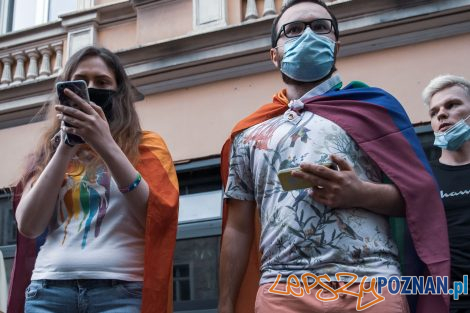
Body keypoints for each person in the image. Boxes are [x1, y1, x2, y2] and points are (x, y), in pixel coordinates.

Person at [218, 1, 450, 313]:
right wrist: (226, 304)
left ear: (336, 46)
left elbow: (422, 200)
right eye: (294, 30)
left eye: (320, 27)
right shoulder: (248, 134)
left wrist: (361, 193)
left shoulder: (375, 109)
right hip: (282, 292)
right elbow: (238, 228)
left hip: (371, 286)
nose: (308, 34)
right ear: (275, 55)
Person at [7, 46, 179, 313]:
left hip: (120, 292)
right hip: (49, 292)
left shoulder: (146, 145)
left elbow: (156, 215)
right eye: (81, 81)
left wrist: (104, 142)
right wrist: (66, 146)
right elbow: (28, 225)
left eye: (102, 82)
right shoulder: (50, 151)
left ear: (119, 93)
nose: (91, 89)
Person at [423, 74, 470, 313]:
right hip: (446, 303)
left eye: (452, 105)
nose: (441, 114)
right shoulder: (423, 180)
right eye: (434, 112)